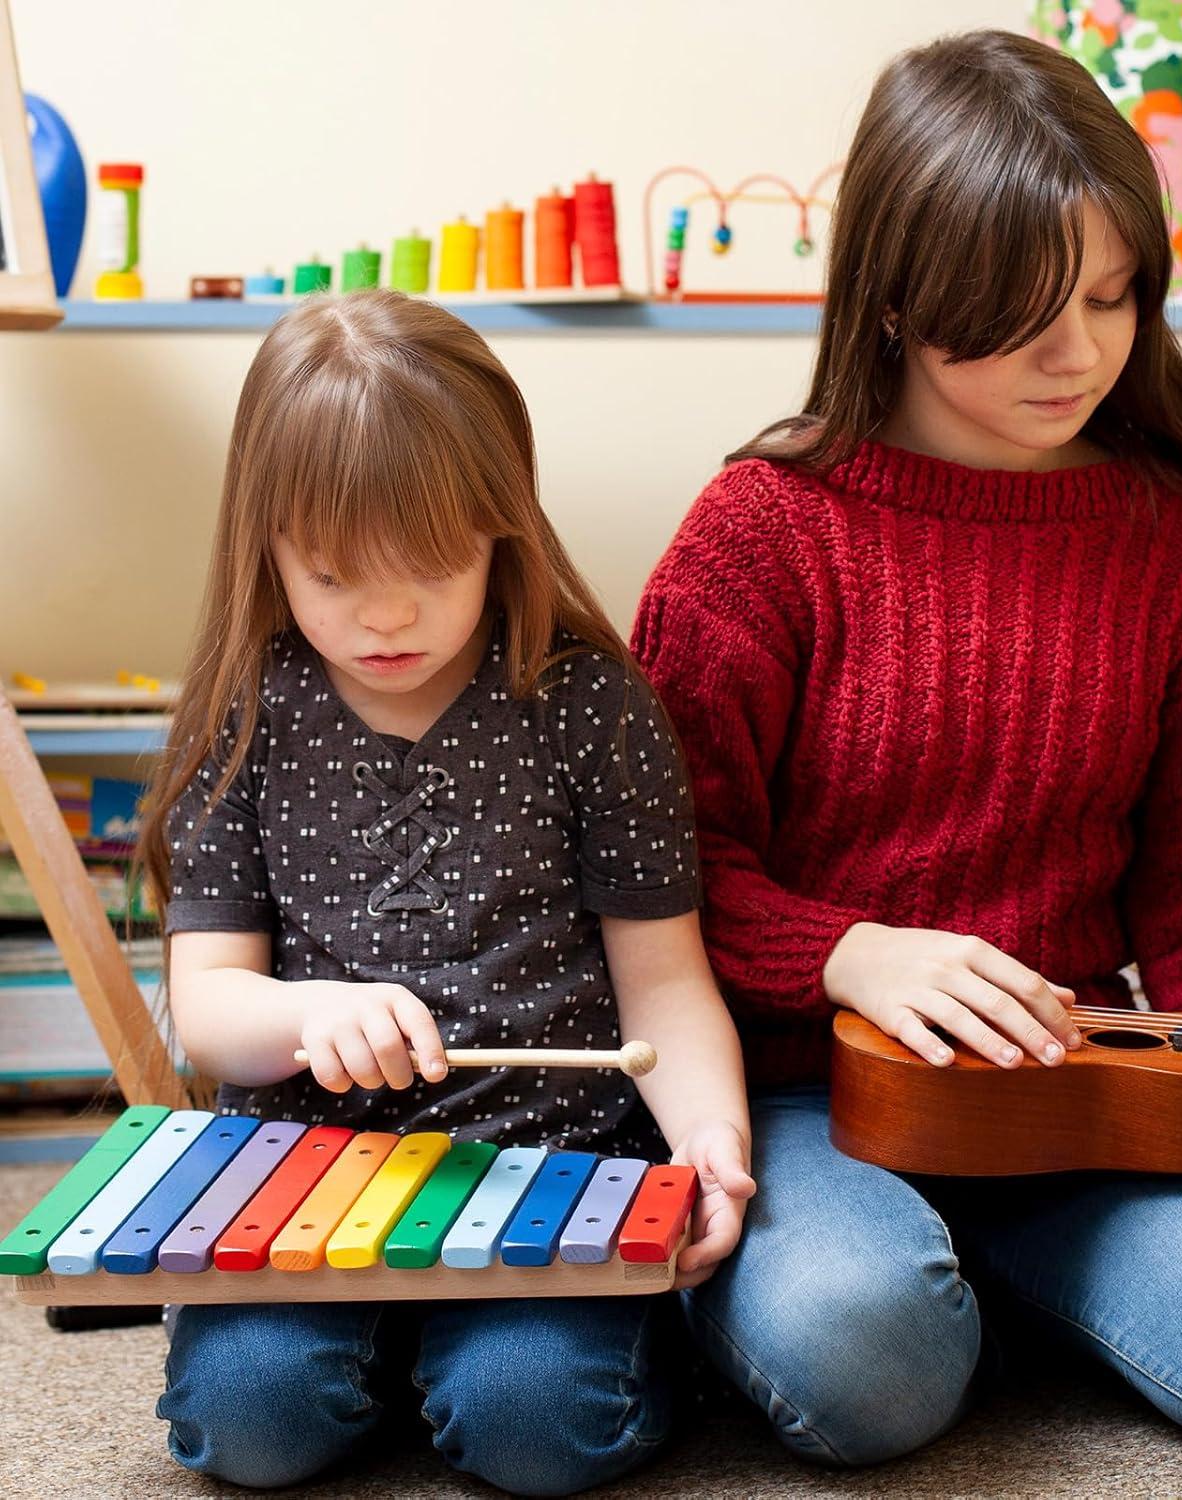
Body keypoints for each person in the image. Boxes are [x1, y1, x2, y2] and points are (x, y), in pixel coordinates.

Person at [633, 29, 1182, 1468]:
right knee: (866, 1353)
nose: (1080, 353)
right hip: (807, 1094)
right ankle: (905, 1291)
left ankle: (992, 1291)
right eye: (1017, 315)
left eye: (1114, 294)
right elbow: (663, 886)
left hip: (1071, 1097)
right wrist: (856, 951)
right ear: (896, 298)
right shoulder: (759, 533)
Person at [138, 289, 755, 1494]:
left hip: (548, 1166)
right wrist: (308, 1017)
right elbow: (208, 1004)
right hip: (306, 1175)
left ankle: (500, 1361)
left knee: (536, 1426)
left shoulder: (591, 709)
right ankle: (397, 1359)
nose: (383, 614)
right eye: (330, 573)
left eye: (429, 564)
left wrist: (712, 1147)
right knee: (249, 1426)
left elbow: (666, 983)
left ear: (501, 529)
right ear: (263, 545)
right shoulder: (243, 714)